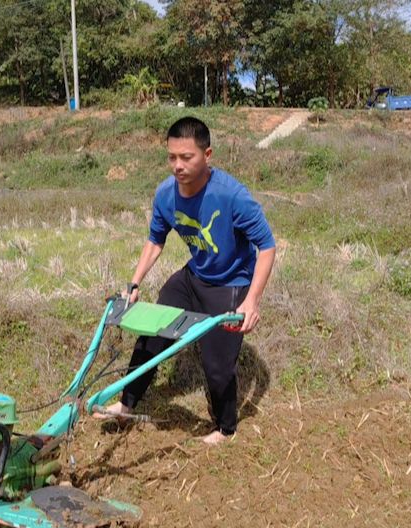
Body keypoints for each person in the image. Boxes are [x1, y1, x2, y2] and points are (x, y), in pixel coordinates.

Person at [95, 116, 276, 446]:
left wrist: (252, 299)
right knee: (153, 330)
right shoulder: (166, 195)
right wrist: (134, 284)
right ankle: (126, 403)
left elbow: (267, 246)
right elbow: (155, 240)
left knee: (217, 365)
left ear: (208, 155)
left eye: (187, 157)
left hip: (231, 283)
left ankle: (225, 428)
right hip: (195, 276)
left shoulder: (232, 196)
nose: (178, 166)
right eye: (172, 157)